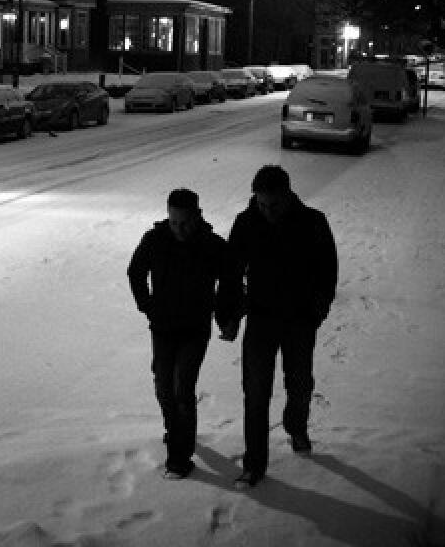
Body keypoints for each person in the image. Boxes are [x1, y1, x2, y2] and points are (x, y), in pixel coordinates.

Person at [227, 165, 338, 490]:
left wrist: (317, 311)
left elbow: (327, 272)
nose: (267, 211)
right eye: (261, 204)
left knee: (300, 384)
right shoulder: (247, 222)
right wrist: (230, 315)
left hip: (300, 320)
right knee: (256, 393)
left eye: (273, 205)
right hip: (261, 318)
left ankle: (296, 424)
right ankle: (254, 464)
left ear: (288, 196)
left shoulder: (313, 223)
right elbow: (232, 271)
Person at [127, 188, 242, 480]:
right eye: (174, 222)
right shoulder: (155, 239)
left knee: (182, 388)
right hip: (163, 328)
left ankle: (180, 456)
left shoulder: (212, 245)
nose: (179, 229)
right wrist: (148, 307)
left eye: (185, 222)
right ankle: (174, 431)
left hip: (194, 329)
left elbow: (230, 284)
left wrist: (226, 318)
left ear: (197, 216)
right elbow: (135, 272)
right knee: (163, 388)